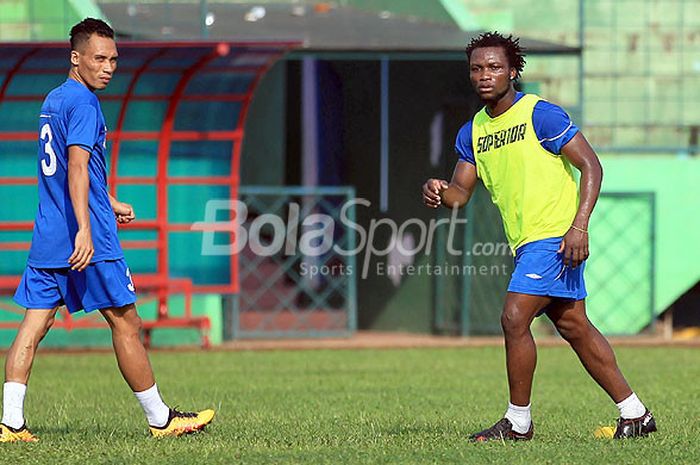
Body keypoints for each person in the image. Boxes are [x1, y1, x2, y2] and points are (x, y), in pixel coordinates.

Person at [422, 32, 656, 441]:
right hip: (527, 243)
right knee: (575, 326)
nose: (485, 75)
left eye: (495, 67)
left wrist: (579, 226)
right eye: (477, 68)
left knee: (514, 317)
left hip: (556, 237)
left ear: (513, 71)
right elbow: (461, 195)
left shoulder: (540, 115)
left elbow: (592, 167)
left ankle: (518, 423)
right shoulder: (472, 132)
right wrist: (441, 190)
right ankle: (635, 413)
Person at [0, 18, 214, 442]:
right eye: (99, 58)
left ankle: (10, 421)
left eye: (114, 59)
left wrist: (108, 200)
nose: (108, 67)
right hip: (87, 238)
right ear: (75, 58)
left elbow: (66, 167)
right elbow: (77, 166)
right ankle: (160, 419)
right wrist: (86, 227)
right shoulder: (83, 103)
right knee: (126, 321)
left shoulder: (54, 99)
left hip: (48, 234)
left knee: (34, 324)